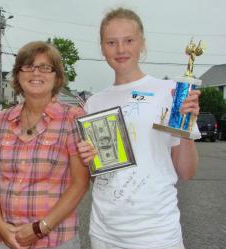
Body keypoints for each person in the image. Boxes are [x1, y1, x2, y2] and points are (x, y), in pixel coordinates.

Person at [77, 7, 200, 249]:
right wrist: (89, 160)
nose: (121, 49)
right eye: (111, 42)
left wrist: (186, 127)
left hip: (157, 234)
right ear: (102, 48)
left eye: (129, 41)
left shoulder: (171, 93)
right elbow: (99, 176)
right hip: (104, 233)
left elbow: (186, 172)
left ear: (142, 43)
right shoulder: (94, 103)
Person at [0, 41, 89, 249]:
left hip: (55, 240)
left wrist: (41, 228)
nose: (36, 73)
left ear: (56, 76)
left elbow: (80, 184)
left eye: (45, 67)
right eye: (28, 66)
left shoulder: (73, 119)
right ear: (18, 75)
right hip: (4, 238)